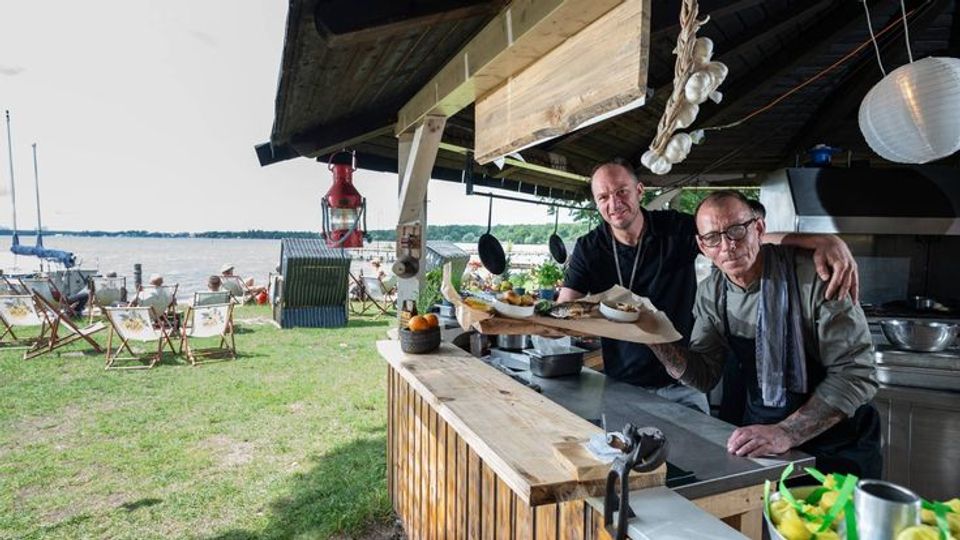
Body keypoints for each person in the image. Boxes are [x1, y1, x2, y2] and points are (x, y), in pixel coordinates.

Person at [557, 159, 859, 414]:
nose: (614, 203)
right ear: (596, 203)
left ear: (639, 191)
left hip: (684, 382)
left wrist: (818, 240)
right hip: (621, 383)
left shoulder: (675, 229)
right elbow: (565, 310)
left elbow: (738, 238)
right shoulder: (589, 248)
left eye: (621, 191)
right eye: (604, 197)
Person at [647, 191, 880, 477]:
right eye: (713, 238)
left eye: (736, 231)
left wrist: (787, 432)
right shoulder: (712, 292)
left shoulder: (815, 276)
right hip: (765, 439)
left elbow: (856, 374)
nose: (728, 246)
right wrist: (651, 335)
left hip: (840, 443)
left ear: (758, 229)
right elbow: (703, 375)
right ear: (702, 246)